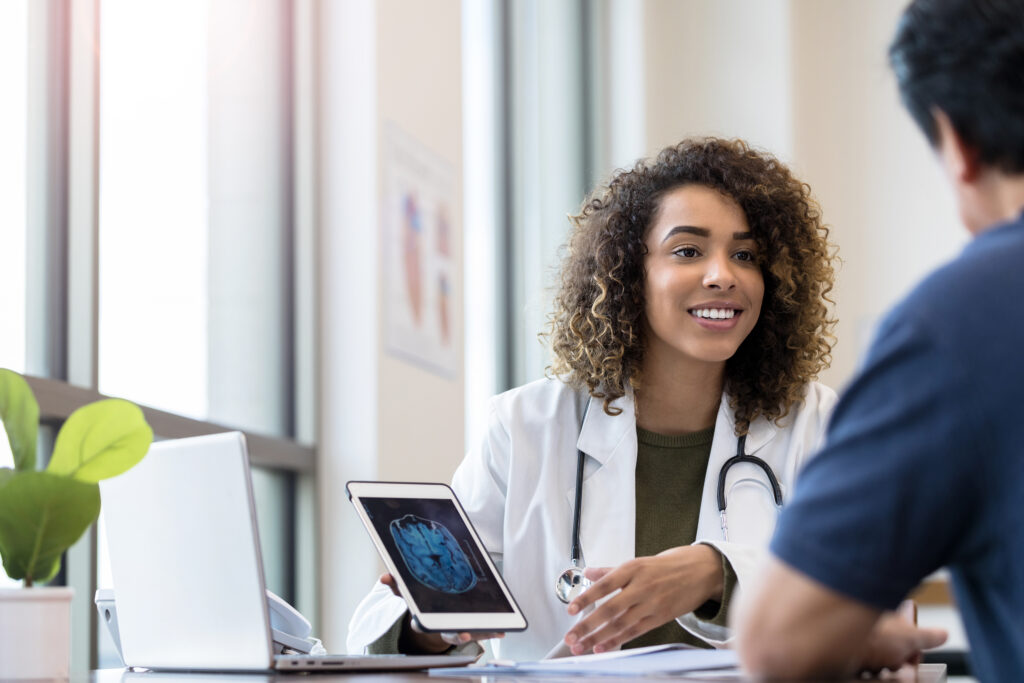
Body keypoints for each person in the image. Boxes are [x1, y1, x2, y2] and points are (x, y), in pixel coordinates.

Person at [348, 137, 838, 661]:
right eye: (688, 251)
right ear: (630, 273)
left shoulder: (816, 423)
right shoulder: (527, 426)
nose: (722, 275)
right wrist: (432, 626)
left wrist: (714, 572)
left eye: (746, 255)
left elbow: (867, 583)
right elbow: (380, 627)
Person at [735, 0, 1024, 679]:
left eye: (748, 256)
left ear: (958, 141)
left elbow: (778, 642)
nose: (721, 279)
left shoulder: (966, 317)